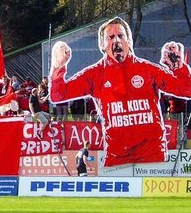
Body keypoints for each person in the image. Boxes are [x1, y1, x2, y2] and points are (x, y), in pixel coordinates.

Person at [50, 16, 191, 166]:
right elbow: (58, 95)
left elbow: (187, 90)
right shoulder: (94, 75)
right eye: (110, 37)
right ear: (102, 45)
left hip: (153, 156)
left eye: (120, 36)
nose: (116, 40)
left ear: (129, 41)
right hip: (117, 159)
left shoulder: (148, 70)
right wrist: (58, 67)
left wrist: (179, 67)